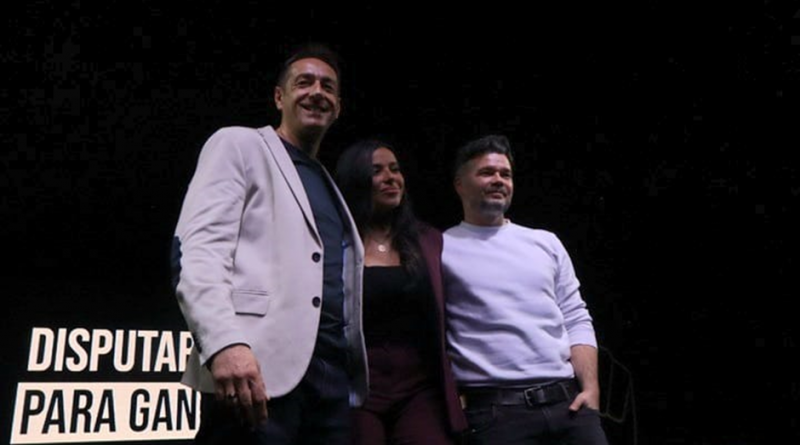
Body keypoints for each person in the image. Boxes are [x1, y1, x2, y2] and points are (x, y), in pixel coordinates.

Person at [170, 43, 368, 444]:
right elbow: (199, 250)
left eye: (328, 87)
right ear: (279, 97)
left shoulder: (328, 184)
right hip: (256, 371)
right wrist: (224, 343)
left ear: (338, 107)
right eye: (304, 82)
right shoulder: (239, 144)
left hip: (329, 382)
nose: (317, 92)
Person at [442, 135, 609, 444]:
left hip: (568, 405)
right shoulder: (440, 248)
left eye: (505, 174)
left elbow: (575, 317)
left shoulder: (545, 242)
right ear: (460, 184)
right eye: (486, 172)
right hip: (495, 414)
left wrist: (591, 389)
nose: (498, 180)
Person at [335, 140, 467, 444]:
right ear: (355, 179)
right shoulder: (335, 242)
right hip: (357, 386)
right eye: (377, 171)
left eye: (395, 169)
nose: (391, 177)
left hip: (419, 387)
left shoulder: (428, 240)